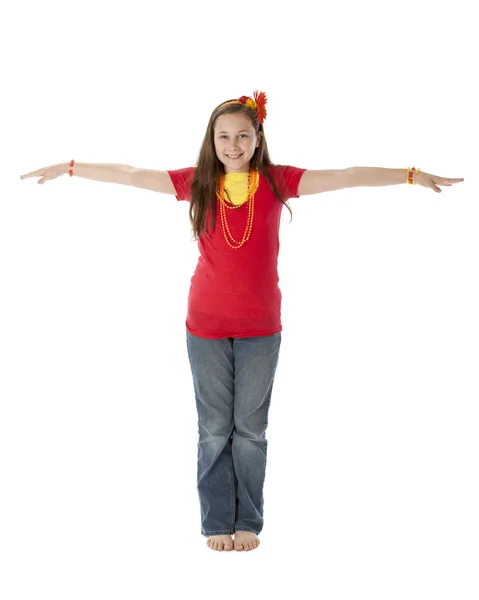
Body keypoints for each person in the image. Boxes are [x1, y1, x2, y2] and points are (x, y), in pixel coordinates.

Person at [20, 91, 464, 553]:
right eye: (223, 136)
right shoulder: (195, 182)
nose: (232, 145)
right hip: (205, 325)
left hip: (261, 327)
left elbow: (346, 176)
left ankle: (248, 519)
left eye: (242, 135)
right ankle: (217, 521)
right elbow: (130, 175)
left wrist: (411, 175)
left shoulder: (277, 181)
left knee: (250, 430)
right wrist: (70, 167)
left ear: (257, 139)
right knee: (214, 429)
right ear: (211, 140)